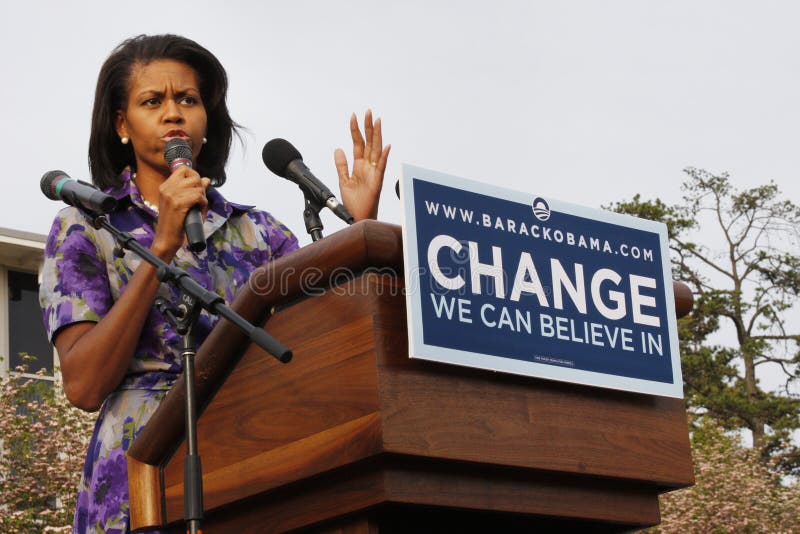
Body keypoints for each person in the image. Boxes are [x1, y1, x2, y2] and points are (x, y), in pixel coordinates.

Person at [39, 34, 390, 533]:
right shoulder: (86, 227)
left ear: (208, 118)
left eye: (188, 99)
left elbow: (326, 346)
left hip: (254, 465)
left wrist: (360, 232)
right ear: (122, 124)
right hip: (138, 479)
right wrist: (159, 247)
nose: (173, 113)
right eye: (152, 101)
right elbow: (84, 383)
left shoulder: (261, 232)